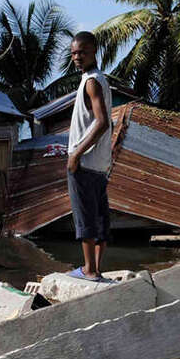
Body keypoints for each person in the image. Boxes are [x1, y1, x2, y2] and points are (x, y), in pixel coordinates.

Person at [66, 31, 112, 281]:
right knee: (99, 218)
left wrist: (76, 154)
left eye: (82, 52)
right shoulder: (99, 80)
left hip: (85, 163)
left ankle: (89, 270)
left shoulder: (91, 81)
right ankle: (95, 269)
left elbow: (102, 122)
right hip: (99, 164)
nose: (77, 57)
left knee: (85, 217)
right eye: (73, 53)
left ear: (94, 51)